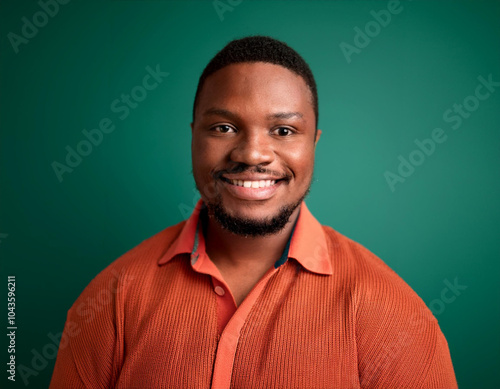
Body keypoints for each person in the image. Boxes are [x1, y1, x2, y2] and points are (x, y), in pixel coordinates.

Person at [49, 35, 458, 389]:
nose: (252, 154)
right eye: (224, 128)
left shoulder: (394, 314)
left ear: (313, 142)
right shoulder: (110, 300)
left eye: (283, 131)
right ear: (193, 135)